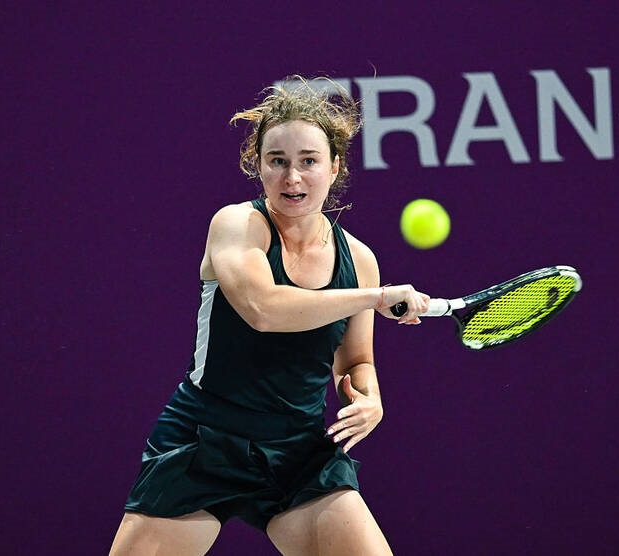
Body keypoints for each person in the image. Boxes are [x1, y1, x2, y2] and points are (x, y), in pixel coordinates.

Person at [109, 76, 430, 555]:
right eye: (277, 161)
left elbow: (355, 360)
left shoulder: (359, 261)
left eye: (308, 161)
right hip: (205, 440)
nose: (292, 178)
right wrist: (374, 297)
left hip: (298, 452)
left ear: (334, 166)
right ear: (257, 165)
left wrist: (370, 399)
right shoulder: (236, 225)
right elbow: (263, 309)